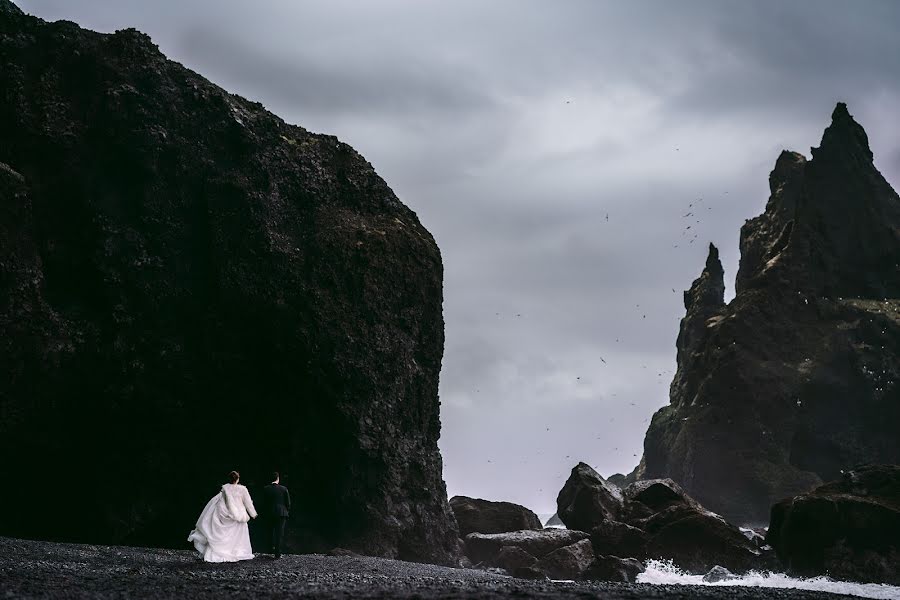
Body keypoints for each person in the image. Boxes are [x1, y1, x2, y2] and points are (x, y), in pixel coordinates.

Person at [187, 470, 258, 562]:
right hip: (239, 515)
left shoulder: (225, 489)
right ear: (238, 479)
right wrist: (253, 514)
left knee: (225, 535)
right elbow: (248, 503)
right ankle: (236, 552)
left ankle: (222, 551)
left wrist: (223, 514)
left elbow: (222, 503)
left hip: (228, 514)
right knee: (238, 536)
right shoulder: (243, 489)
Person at [262, 471, 291, 558]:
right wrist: (286, 511)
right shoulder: (284, 489)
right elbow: (288, 503)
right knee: (279, 533)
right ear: (278, 479)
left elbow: (263, 503)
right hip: (281, 513)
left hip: (269, 513)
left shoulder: (266, 488)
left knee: (270, 532)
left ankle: (269, 550)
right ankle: (277, 554)